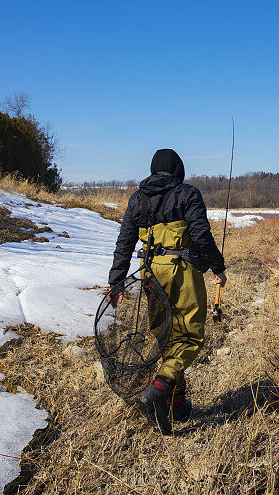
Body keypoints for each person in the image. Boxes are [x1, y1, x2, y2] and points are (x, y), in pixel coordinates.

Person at [107, 148, 227, 434]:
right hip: (182, 271)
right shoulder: (188, 193)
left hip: (151, 273)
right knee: (188, 335)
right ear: (178, 169)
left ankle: (177, 404)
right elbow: (200, 234)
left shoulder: (137, 199)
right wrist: (217, 267)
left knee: (165, 335)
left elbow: (124, 242)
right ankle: (161, 388)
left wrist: (117, 282)